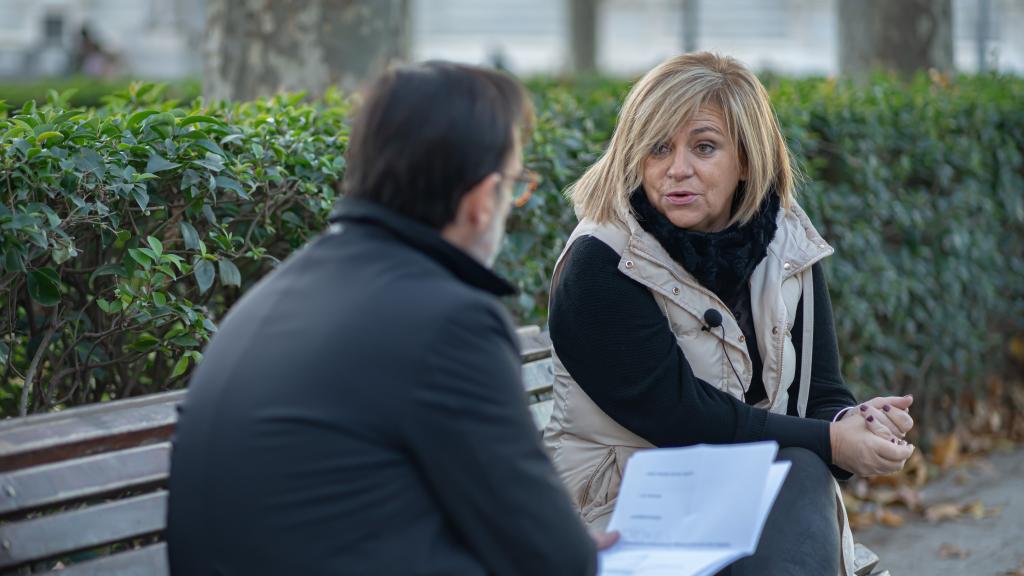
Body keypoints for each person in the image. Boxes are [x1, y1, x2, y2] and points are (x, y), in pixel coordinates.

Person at [167, 61, 614, 575]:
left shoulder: (280, 291)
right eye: (514, 185)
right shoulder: (449, 320)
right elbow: (552, 557)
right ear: (478, 203)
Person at [542, 52, 915, 576]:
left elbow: (822, 392)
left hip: (741, 497)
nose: (677, 168)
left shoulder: (786, 243)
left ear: (746, 158)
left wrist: (858, 423)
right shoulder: (600, 264)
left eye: (704, 147)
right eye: (658, 148)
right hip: (622, 517)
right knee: (805, 463)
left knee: (803, 468)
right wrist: (832, 442)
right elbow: (682, 418)